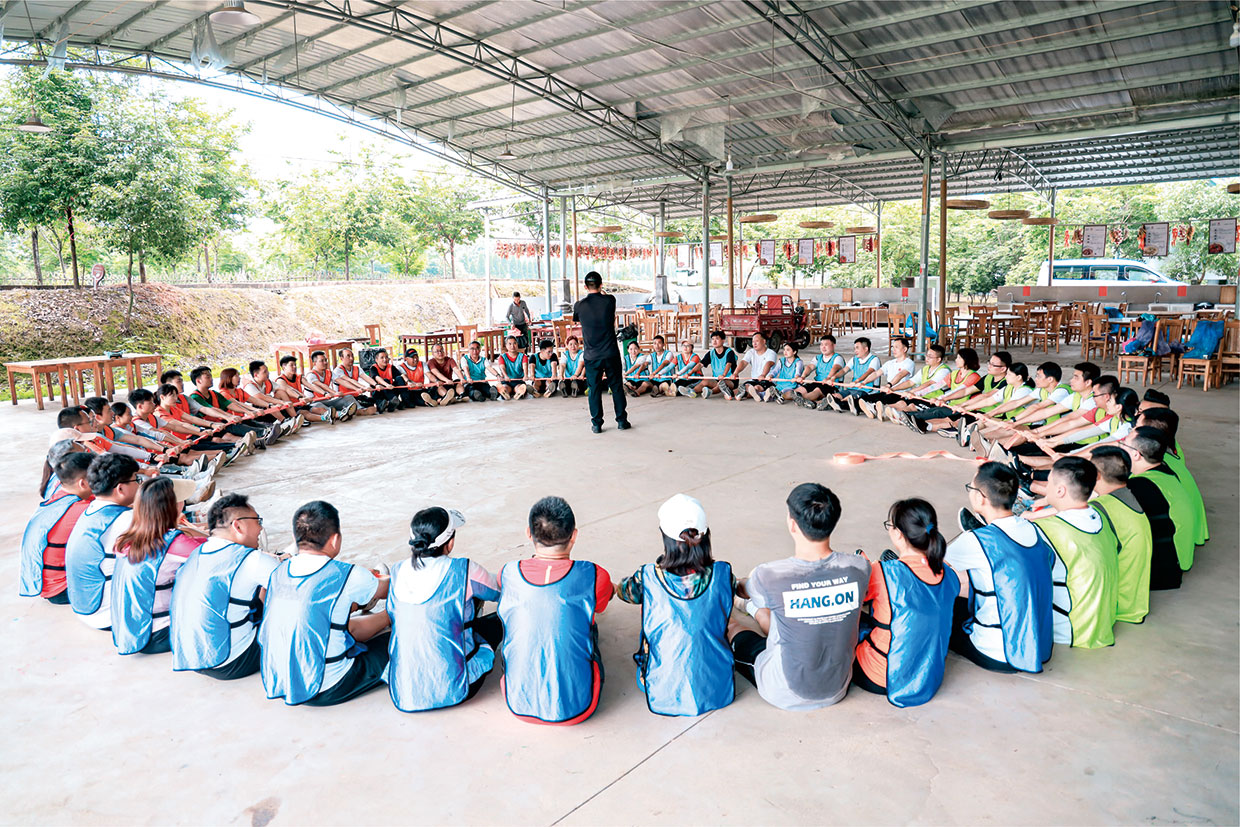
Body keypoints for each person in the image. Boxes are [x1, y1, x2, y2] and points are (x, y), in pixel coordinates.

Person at [727, 483, 870, 710]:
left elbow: (741, 588)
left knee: (733, 628)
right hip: (837, 686)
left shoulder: (771, 574)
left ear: (792, 525)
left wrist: (744, 583)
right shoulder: (860, 568)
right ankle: (754, 609)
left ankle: (743, 614)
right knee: (788, 620)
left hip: (785, 691)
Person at [259, 501, 391, 706]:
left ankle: (384, 616)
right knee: (397, 641)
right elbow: (387, 590)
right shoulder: (346, 573)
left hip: (284, 681)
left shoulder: (278, 572)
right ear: (335, 540)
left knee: (339, 623)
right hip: (327, 686)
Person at [614, 494, 736, 716]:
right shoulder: (724, 574)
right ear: (706, 535)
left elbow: (624, 592)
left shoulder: (647, 576)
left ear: (665, 537)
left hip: (662, 688)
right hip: (717, 687)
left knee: (652, 610)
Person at [497, 496, 613, 724]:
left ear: (528, 534)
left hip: (517, 703)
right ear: (574, 536)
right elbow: (601, 605)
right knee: (590, 624)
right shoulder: (594, 574)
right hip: (581, 706)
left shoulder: (507, 573)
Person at [384, 508, 504, 712]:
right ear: (450, 543)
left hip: (404, 689)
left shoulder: (396, 571)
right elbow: (498, 592)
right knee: (497, 623)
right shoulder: (464, 569)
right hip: (454, 687)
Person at [948, 463, 1055, 673]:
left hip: (997, 652)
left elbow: (931, 573)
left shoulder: (976, 540)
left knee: (943, 598)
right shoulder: (1033, 529)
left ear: (981, 497)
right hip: (1038, 645)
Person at [853, 499, 958, 707]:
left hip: (880, 675)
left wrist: (863, 567)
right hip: (929, 674)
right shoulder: (947, 571)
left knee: (855, 620)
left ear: (899, 534)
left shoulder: (883, 573)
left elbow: (856, 598)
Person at [170, 494, 279, 680]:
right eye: (257, 520)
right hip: (232, 661)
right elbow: (297, 590)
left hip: (190, 657)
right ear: (238, 525)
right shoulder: (252, 559)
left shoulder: (197, 553)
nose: (260, 528)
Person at [1031, 457, 1120, 649]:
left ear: (1060, 490)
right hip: (1102, 623)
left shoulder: (1047, 529)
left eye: (1049, 482)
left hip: (1069, 630)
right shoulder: (1101, 516)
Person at [110, 477, 206, 655]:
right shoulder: (174, 544)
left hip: (131, 630)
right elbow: (217, 554)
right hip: (158, 634)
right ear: (174, 507)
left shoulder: (128, 538)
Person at [65, 454, 141, 630]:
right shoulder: (126, 520)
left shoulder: (90, 511)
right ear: (120, 489)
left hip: (86, 608)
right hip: (110, 615)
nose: (139, 484)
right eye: (136, 479)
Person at [1088, 445, 1152, 625]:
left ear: (1097, 476)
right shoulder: (1127, 496)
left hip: (1116, 605)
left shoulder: (1101, 508)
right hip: (1134, 602)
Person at [21, 452, 95, 604]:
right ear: (83, 483)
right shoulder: (81, 510)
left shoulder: (58, 495)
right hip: (63, 589)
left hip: (47, 585)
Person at [1124, 427, 1194, 581]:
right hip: (1177, 557)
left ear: (1136, 454)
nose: (1120, 447)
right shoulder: (1163, 470)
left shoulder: (1141, 486)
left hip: (1163, 569)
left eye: (1124, 444)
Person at [1136, 406, 1207, 547]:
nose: (1132, 430)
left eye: (1137, 427)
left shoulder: (1152, 467)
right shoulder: (1168, 457)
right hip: (1190, 535)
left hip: (1174, 549)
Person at [572, 271, 629, 432]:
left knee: (594, 389)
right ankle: (621, 421)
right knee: (617, 386)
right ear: (601, 285)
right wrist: (601, 291)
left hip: (591, 355)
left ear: (585, 286)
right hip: (610, 352)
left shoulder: (579, 305)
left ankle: (597, 424)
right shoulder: (610, 301)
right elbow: (605, 296)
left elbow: (577, 318)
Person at [894, 348, 982, 431]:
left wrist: (941, 398)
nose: (956, 360)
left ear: (967, 359)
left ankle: (909, 418)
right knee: (934, 411)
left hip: (965, 408)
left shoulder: (974, 376)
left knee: (937, 412)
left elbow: (960, 390)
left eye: (959, 358)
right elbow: (936, 386)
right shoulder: (955, 373)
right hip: (952, 405)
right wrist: (917, 394)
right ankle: (909, 418)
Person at [879, 344, 952, 421]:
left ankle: (899, 416)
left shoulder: (944, 371)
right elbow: (910, 382)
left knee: (912, 406)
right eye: (926, 355)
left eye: (930, 357)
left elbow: (929, 384)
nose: (926, 358)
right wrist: (892, 389)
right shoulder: (925, 369)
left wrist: (911, 392)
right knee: (902, 402)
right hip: (922, 397)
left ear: (938, 359)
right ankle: (886, 410)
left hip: (934, 401)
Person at [854, 336, 916, 417]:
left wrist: (888, 385)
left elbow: (900, 375)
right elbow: (876, 373)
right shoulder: (890, 363)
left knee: (884, 400)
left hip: (899, 394)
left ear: (904, 349)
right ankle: (873, 408)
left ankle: (874, 408)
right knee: (862, 399)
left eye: (896, 347)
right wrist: (864, 382)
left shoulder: (909, 363)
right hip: (887, 391)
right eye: (893, 347)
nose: (893, 350)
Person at [821, 337, 883, 413]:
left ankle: (840, 403)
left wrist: (857, 381)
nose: (855, 351)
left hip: (867, 390)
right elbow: (844, 370)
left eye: (857, 348)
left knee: (853, 397)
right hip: (853, 388)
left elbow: (869, 372)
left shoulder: (874, 359)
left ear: (866, 349)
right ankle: (839, 402)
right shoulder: (854, 359)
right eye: (854, 348)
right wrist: (834, 377)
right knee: (837, 395)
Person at [305, 351, 364, 419]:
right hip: (314, 403)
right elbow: (322, 385)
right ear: (315, 363)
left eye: (325, 360)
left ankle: (360, 410)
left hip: (327, 400)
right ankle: (340, 414)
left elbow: (342, 382)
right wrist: (334, 393)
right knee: (318, 406)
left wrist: (357, 389)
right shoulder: (311, 375)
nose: (325, 363)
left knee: (348, 397)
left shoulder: (329, 372)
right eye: (322, 361)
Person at [796, 334, 847, 409]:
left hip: (831, 386)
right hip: (818, 382)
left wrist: (828, 378)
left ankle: (804, 399)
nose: (823, 347)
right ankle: (806, 400)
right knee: (800, 389)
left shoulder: (838, 358)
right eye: (821, 344)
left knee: (817, 391)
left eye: (826, 345)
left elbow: (835, 368)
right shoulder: (818, 357)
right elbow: (810, 367)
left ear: (833, 346)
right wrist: (803, 376)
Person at [332, 348, 384, 413]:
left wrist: (376, 385)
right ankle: (360, 410)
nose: (351, 358)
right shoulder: (338, 371)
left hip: (355, 397)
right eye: (348, 356)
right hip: (343, 398)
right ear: (341, 358)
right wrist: (363, 387)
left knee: (372, 400)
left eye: (352, 356)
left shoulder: (356, 368)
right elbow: (350, 380)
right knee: (368, 407)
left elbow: (366, 377)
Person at [692, 331, 739, 400]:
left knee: (722, 383)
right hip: (716, 379)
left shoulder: (729, 352)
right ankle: (692, 391)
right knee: (705, 381)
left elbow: (728, 364)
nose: (714, 341)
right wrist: (690, 373)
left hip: (730, 381)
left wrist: (723, 375)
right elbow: (701, 364)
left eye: (717, 339)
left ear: (723, 340)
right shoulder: (711, 353)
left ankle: (710, 392)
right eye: (712, 339)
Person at [738, 332, 778, 402]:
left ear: (764, 341)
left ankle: (764, 393)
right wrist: (735, 373)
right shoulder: (751, 352)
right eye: (753, 342)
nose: (754, 344)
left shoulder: (771, 353)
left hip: (767, 380)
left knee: (757, 387)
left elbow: (768, 364)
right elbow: (743, 362)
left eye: (757, 341)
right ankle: (760, 394)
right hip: (754, 380)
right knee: (746, 385)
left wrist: (763, 375)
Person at [496, 336, 530, 401]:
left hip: (518, 380)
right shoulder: (502, 357)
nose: (512, 346)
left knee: (518, 388)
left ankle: (519, 393)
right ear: (506, 345)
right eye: (510, 344)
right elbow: (502, 367)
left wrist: (525, 375)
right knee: (505, 387)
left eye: (514, 343)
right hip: (507, 381)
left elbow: (525, 366)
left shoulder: (523, 356)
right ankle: (505, 393)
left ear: (517, 344)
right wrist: (505, 376)